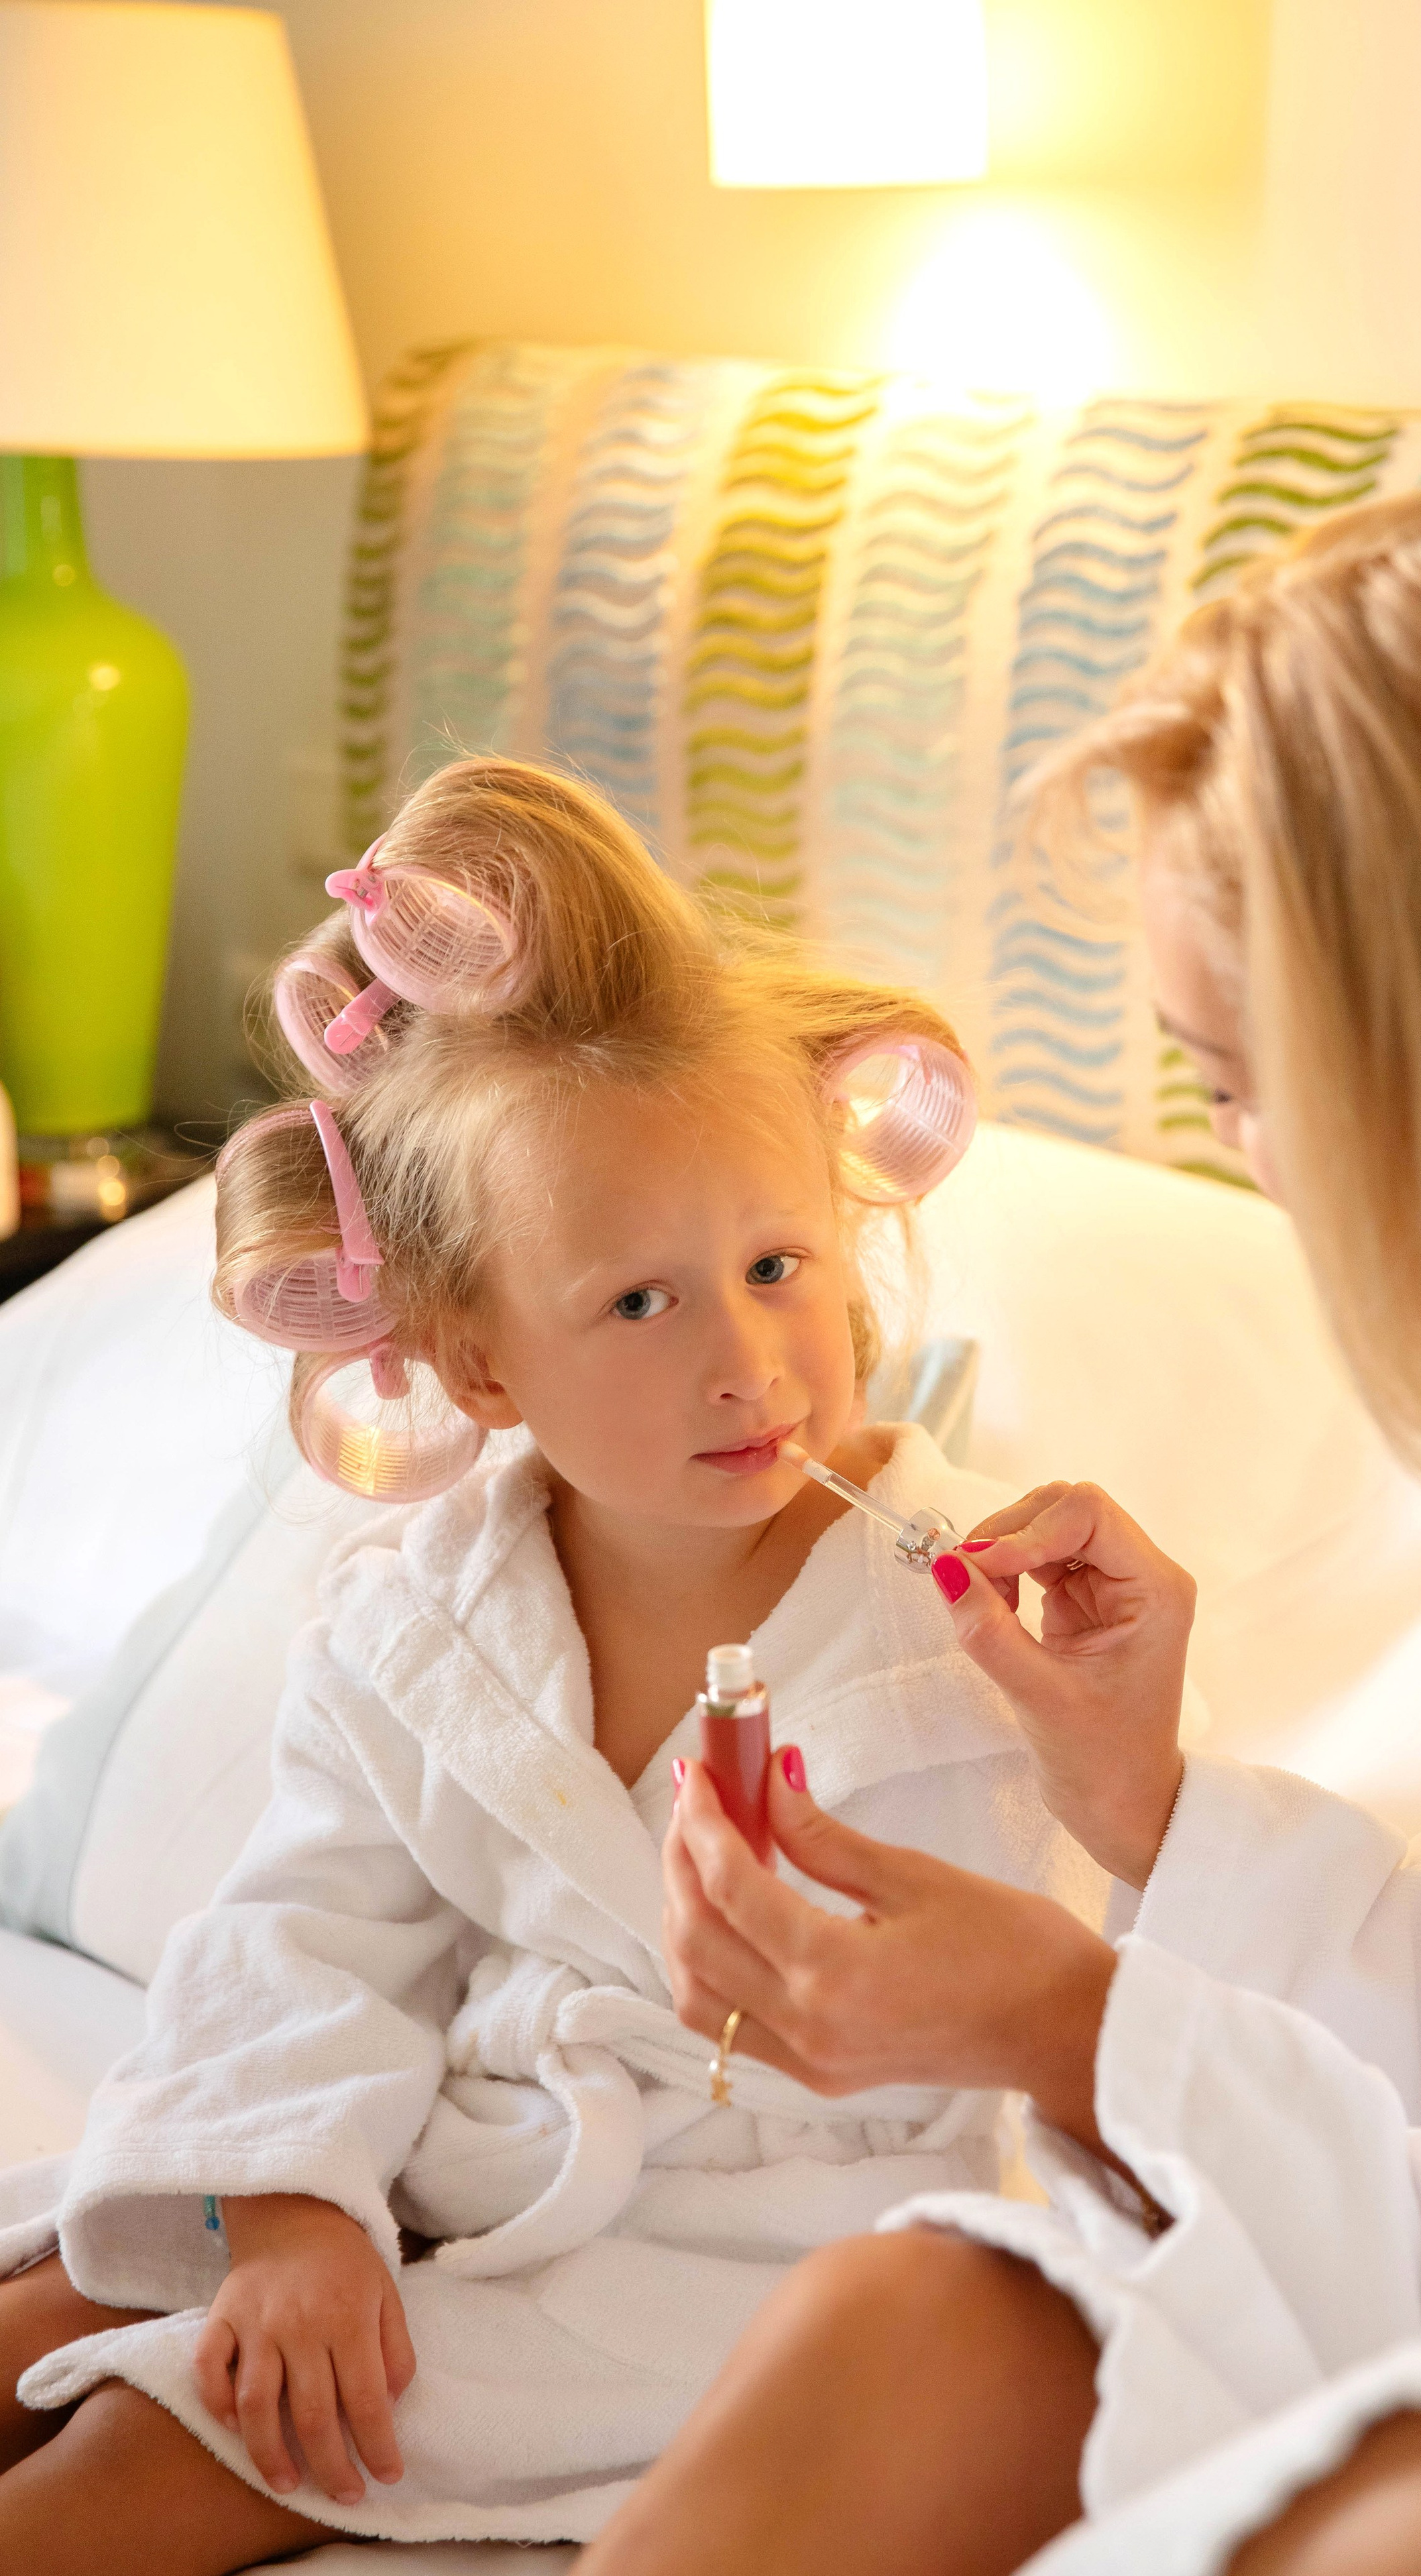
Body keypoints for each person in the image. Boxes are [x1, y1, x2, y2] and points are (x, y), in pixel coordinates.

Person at [580, 480, 1421, 2576]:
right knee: (918, 2310)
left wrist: (1073, 2028)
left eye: (1247, 1083)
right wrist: (1148, 1800)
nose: (1245, 1161)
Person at [0, 756, 1100, 2572]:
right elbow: (312, 1930)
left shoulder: (979, 1607)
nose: (746, 1359)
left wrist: (1126, 1754)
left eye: (775, 1263)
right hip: (457, 2139)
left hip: (739, 2249)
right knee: (55, 2296)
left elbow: (1150, 1941)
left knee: (160, 2430)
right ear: (481, 1365)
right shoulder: (429, 1610)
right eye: (640, 1302)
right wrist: (289, 2205)